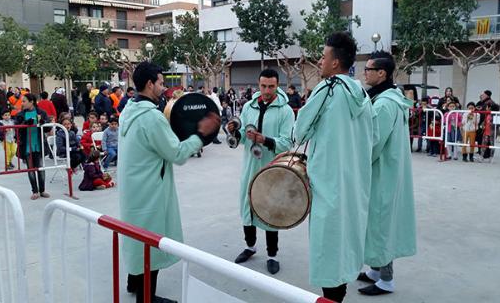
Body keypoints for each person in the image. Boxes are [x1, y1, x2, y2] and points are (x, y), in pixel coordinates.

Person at [118, 62, 220, 303]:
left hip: (134, 188)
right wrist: (200, 134)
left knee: (136, 236)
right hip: (150, 190)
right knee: (150, 243)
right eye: (161, 83)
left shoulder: (128, 110)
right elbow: (177, 154)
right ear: (149, 83)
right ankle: (147, 298)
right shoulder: (151, 117)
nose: (164, 88)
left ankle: (133, 284)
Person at [293, 32, 375, 302]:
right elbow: (372, 139)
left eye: (324, 56)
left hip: (327, 183)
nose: (320, 60)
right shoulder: (362, 93)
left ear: (336, 63)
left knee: (327, 247)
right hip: (353, 184)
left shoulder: (327, 90)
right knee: (345, 244)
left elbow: (300, 131)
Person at [358, 50, 416, 296]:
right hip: (388, 171)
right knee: (375, 223)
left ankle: (386, 280)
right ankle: (375, 270)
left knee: (381, 225)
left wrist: (353, 160)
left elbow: (372, 143)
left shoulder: (384, 104)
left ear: (381, 73)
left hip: (382, 174)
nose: (365, 74)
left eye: (368, 69)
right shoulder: (390, 97)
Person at [227, 69, 294, 275]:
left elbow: (287, 143)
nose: (266, 91)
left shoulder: (286, 111)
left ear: (277, 86)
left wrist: (264, 140)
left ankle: (272, 255)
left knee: (270, 210)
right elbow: (243, 137)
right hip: (250, 166)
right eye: (263, 86)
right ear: (258, 85)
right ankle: (250, 246)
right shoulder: (249, 106)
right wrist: (234, 132)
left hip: (272, 169)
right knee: (248, 205)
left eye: (271, 86)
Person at [15, 94, 50, 200]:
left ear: (32, 102)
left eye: (24, 101)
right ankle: (35, 191)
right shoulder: (20, 114)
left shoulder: (41, 113)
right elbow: (17, 129)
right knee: (30, 169)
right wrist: (25, 123)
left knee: (40, 167)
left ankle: (42, 190)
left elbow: (48, 128)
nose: (22, 103)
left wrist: (43, 123)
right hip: (27, 145)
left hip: (39, 144)